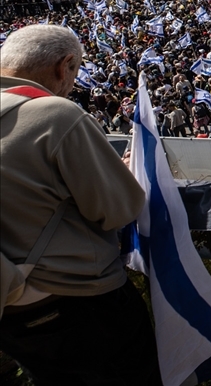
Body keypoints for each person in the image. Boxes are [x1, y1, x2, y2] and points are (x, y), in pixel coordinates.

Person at [0, 25, 160, 385]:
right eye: (75, 72)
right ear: (65, 65)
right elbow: (118, 209)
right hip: (78, 303)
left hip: (11, 314)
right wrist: (120, 176)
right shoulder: (56, 115)